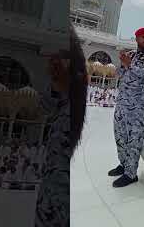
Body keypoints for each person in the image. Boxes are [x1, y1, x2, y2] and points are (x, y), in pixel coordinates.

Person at [34, 26, 88, 227]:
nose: (55, 64)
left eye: (63, 58)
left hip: (57, 198)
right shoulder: (61, 102)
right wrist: (56, 82)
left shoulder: (71, 109)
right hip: (48, 193)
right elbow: (44, 106)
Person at [108, 27, 144, 188]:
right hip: (123, 102)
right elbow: (119, 75)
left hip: (139, 106)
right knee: (120, 135)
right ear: (136, 39)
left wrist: (130, 66)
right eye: (142, 37)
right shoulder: (130, 55)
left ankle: (131, 174)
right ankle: (123, 164)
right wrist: (123, 64)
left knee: (134, 139)